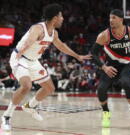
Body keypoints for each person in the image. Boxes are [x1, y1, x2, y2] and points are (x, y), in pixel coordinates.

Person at [1, 3, 91, 131]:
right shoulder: (38, 28)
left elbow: (61, 46)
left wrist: (77, 56)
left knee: (50, 88)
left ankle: (30, 106)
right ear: (55, 18)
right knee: (27, 85)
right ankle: (6, 116)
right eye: (61, 16)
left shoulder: (54, 33)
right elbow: (30, 40)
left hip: (33, 61)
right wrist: (23, 50)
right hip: (20, 58)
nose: (63, 19)